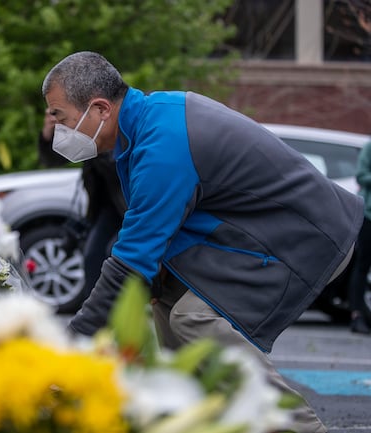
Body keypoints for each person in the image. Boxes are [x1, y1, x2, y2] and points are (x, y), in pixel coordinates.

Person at [41, 51, 363, 433]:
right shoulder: (146, 122)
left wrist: (70, 348)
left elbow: (131, 260)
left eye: (60, 117)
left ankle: (296, 427)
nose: (58, 130)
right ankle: (200, 419)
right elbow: (155, 241)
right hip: (260, 234)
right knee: (166, 301)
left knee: (194, 317)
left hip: (307, 239)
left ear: (100, 109)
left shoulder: (162, 145)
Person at [38, 109, 126, 310]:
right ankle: (99, 326)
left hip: (131, 206)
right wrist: (51, 133)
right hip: (108, 206)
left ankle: (123, 319)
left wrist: (85, 136)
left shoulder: (111, 119)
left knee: (114, 255)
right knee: (93, 256)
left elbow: (114, 158)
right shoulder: (86, 126)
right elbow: (53, 159)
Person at [346, 139, 371, 334]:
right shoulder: (369, 147)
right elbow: (361, 176)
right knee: (362, 265)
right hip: (369, 215)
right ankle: (357, 315)